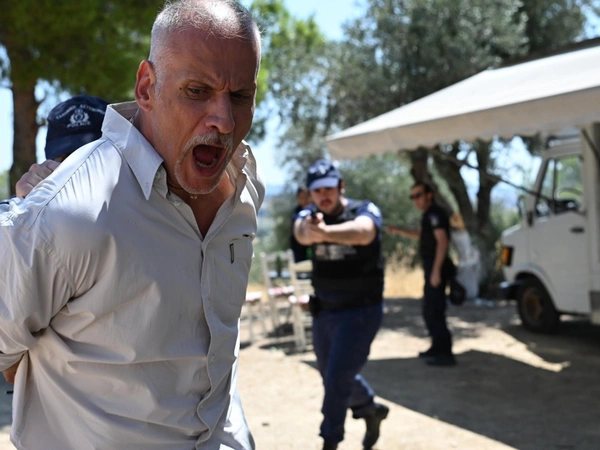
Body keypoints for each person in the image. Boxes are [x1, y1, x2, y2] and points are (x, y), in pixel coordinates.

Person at [0, 1, 264, 449]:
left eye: (240, 96)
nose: (224, 119)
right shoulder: (68, 214)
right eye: (197, 90)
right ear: (146, 87)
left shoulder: (245, 187)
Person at [1, 94, 108, 384]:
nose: (75, 174)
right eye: (64, 162)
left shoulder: (145, 212)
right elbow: (11, 369)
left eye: (89, 159)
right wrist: (28, 213)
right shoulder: (32, 217)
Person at [293, 159, 389, 450]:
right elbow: (300, 232)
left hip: (360, 312)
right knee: (333, 375)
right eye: (317, 190)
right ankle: (370, 408)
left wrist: (326, 234)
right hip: (325, 311)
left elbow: (364, 232)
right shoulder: (309, 215)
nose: (323, 195)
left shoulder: (364, 210)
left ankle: (330, 440)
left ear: (341, 186)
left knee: (336, 378)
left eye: (329, 188)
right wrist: (310, 230)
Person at [386, 181, 456, 366]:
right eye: (412, 197)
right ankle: (437, 347)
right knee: (429, 309)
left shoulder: (436, 214)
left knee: (435, 309)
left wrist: (436, 271)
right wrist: (399, 230)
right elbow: (421, 234)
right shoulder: (428, 215)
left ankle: (445, 353)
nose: (415, 200)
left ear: (429, 195)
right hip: (431, 267)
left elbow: (442, 242)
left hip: (436, 267)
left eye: (418, 195)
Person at [290, 185, 311, 262]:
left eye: (305, 197)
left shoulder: (315, 210)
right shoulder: (296, 213)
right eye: (301, 197)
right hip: (299, 250)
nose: (304, 200)